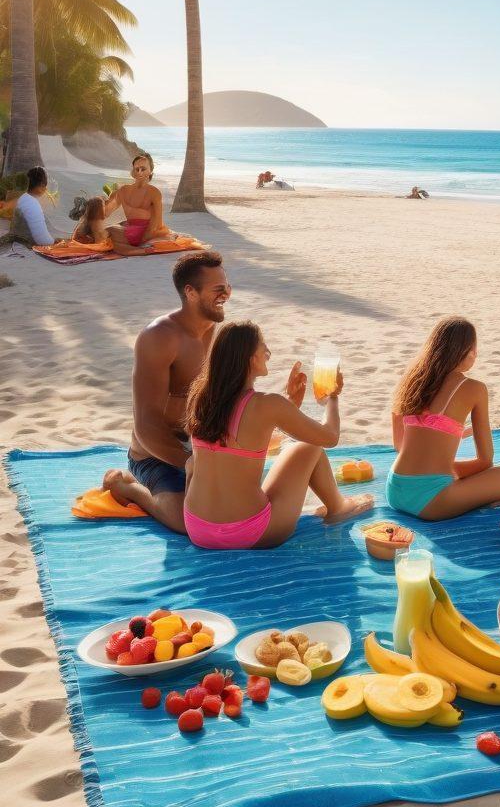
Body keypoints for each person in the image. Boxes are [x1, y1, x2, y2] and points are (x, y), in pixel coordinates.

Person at [183, 322, 373, 549]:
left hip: (198, 530)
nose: (268, 354)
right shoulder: (268, 404)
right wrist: (332, 396)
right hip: (249, 532)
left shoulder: (202, 400)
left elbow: (241, 444)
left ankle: (337, 506)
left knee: (194, 463)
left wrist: (290, 404)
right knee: (309, 447)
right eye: (265, 348)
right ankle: (338, 508)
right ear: (251, 358)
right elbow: (329, 436)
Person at [103, 251, 231, 533]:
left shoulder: (219, 335)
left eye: (227, 287)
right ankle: (128, 486)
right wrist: (191, 463)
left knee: (237, 510)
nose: (227, 294)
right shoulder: (160, 337)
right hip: (156, 454)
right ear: (191, 292)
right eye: (218, 289)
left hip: (201, 446)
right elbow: (146, 423)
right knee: (188, 523)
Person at [387, 316, 500, 520]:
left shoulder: (411, 381)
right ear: (467, 351)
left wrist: (442, 460)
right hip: (431, 502)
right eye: (474, 348)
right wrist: (449, 471)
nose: (476, 354)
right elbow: (485, 461)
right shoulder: (474, 388)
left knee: (446, 471)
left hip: (395, 489)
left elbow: (400, 445)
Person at [104, 153, 171, 251]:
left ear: (150, 171)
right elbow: (107, 212)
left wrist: (143, 239)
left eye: (143, 169)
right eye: (137, 169)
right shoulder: (123, 190)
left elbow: (158, 223)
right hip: (131, 228)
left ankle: (136, 250)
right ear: (133, 171)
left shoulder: (154, 192)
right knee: (104, 233)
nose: (139, 172)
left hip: (145, 231)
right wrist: (106, 200)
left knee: (108, 231)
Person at [13, 167, 63, 246]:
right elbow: (42, 240)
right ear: (41, 185)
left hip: (19, 242)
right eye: (45, 185)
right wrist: (55, 243)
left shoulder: (24, 198)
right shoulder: (32, 204)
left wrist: (53, 240)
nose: (46, 189)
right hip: (27, 248)